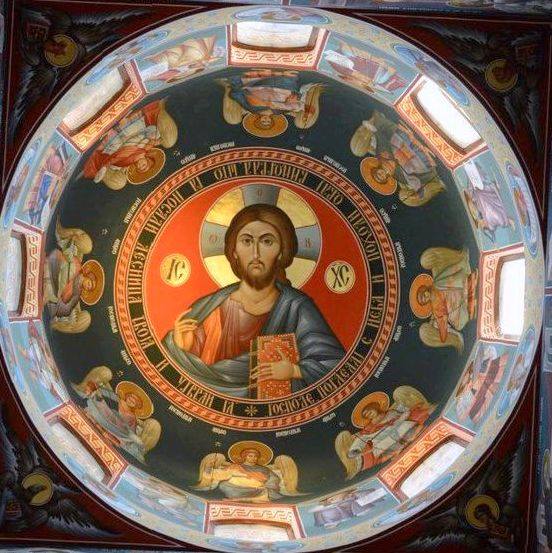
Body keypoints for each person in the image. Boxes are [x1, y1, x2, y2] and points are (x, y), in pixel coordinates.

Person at [163, 204, 344, 398]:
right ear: (234, 251)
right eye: (247, 241)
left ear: (281, 251)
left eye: (267, 241)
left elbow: (336, 366)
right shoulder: (209, 307)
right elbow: (176, 371)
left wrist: (295, 371)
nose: (256, 253)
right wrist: (181, 349)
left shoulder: (296, 308)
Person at [83, 99, 177, 189]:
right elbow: (151, 140)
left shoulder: (126, 163)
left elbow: (120, 165)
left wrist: (120, 167)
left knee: (119, 183)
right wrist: (157, 140)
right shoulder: (145, 149)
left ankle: (103, 168)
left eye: (140, 168)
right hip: (136, 129)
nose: (140, 165)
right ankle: (159, 113)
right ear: (147, 159)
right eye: (144, 165)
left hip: (115, 148)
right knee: (169, 141)